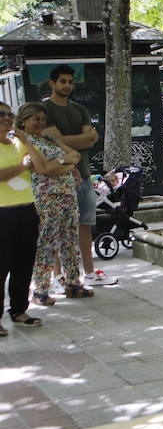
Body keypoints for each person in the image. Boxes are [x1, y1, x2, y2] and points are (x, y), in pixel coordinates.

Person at [40, 65, 111, 288]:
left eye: (70, 82)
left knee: (85, 225)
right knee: (59, 228)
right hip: (58, 178)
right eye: (62, 81)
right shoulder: (44, 109)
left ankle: (89, 272)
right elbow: (52, 141)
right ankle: (59, 276)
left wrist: (68, 140)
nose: (67, 86)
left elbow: (92, 138)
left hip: (85, 175)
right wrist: (81, 139)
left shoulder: (79, 109)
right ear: (52, 83)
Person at [15, 104, 83, 304]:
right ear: (24, 120)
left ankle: (73, 282)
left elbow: (75, 156)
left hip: (68, 195)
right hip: (46, 197)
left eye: (43, 119)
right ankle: (41, 289)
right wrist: (65, 164)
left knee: (70, 240)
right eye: (36, 119)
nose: (40, 123)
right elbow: (43, 168)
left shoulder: (49, 139)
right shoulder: (23, 142)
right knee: (45, 243)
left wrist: (60, 163)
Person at [0, 103, 45, 333]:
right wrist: (21, 166)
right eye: (2, 114)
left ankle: (19, 310)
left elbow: (40, 167)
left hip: (27, 210)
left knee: (24, 264)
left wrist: (27, 142)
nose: (7, 118)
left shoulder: (19, 144)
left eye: (10, 114)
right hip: (2, 213)